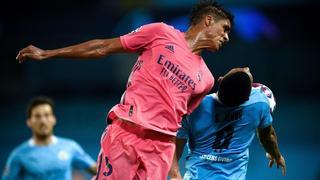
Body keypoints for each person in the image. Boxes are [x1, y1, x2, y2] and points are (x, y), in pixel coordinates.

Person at [16, 1, 234, 179]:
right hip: (126, 133)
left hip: (160, 151)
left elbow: (180, 124)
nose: (226, 37)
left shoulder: (205, 80)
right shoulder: (160, 32)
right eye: (225, 29)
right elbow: (102, 47)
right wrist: (48, 54)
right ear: (208, 20)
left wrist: (174, 171)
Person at [169, 67, 286, 180]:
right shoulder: (259, 103)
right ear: (247, 98)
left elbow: (174, 147)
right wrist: (275, 154)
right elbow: (268, 137)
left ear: (220, 80)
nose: (247, 68)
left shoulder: (194, 107)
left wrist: (175, 175)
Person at [2, 97, 97, 180]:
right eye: (37, 116)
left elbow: (98, 170)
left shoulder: (70, 147)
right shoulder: (19, 154)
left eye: (47, 115)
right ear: (29, 122)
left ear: (54, 119)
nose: (43, 120)